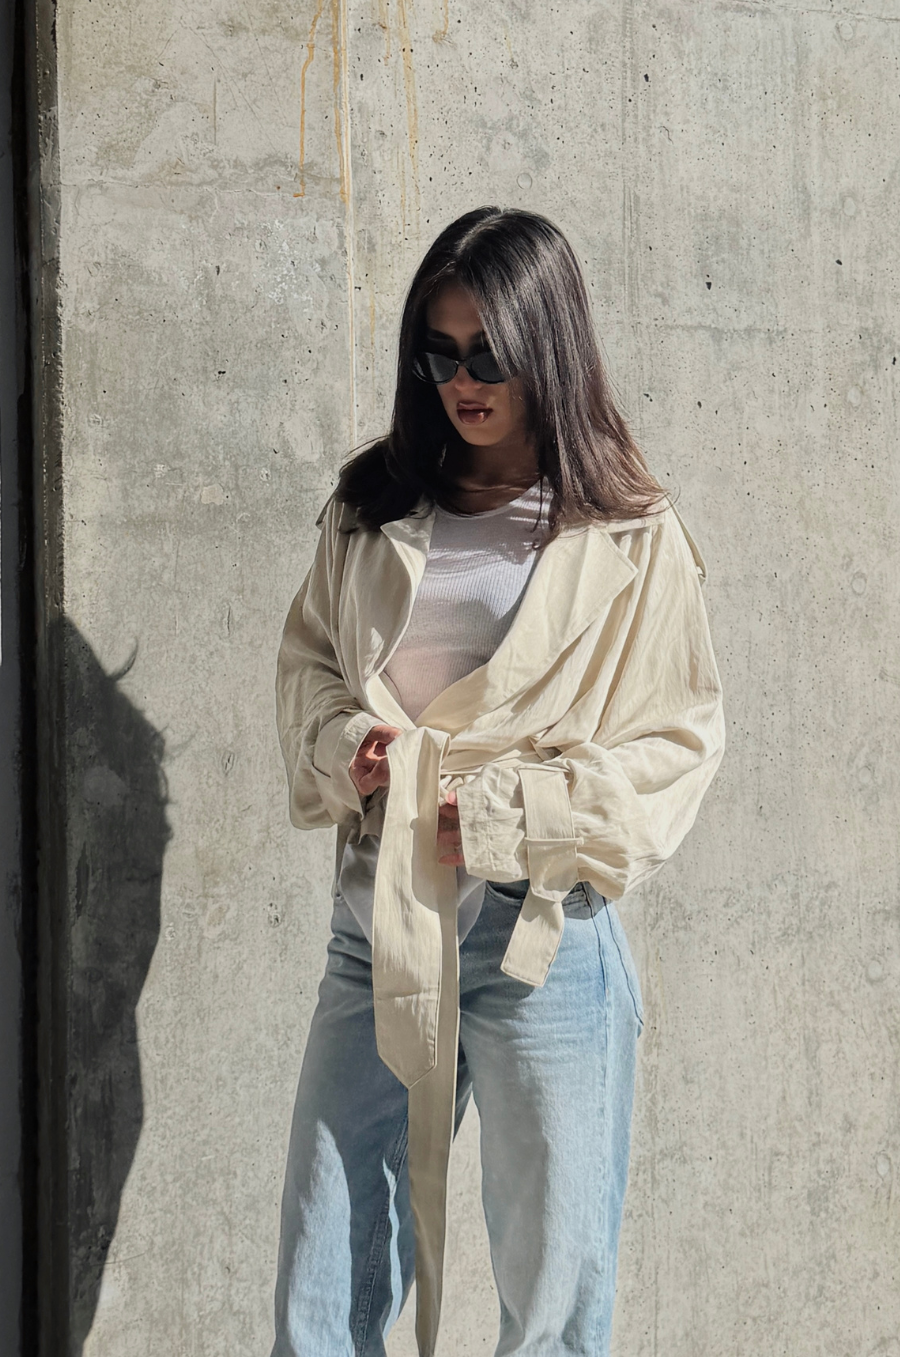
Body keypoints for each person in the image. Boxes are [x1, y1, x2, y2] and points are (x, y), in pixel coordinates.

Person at [272, 206, 726, 1357]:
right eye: (438, 352)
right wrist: (349, 749)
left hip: (546, 943)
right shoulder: (374, 504)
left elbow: (672, 746)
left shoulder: (628, 535)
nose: (459, 381)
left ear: (551, 351)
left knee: (555, 1303)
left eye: (487, 355)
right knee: (322, 1286)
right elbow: (311, 668)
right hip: (377, 922)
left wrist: (503, 812)